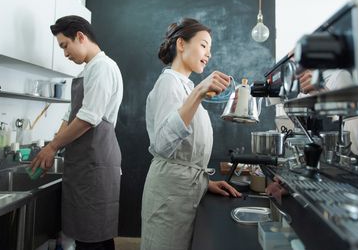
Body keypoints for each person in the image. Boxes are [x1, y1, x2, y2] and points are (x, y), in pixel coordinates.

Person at [141, 18, 241, 250]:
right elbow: (164, 145)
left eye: (210, 49)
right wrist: (198, 92)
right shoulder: (169, 84)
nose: (208, 54)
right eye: (204, 45)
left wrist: (205, 182)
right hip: (169, 195)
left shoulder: (184, 85)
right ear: (181, 44)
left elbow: (186, 149)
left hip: (186, 189)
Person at [30, 15, 123, 250]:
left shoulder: (102, 67)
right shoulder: (86, 71)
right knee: (90, 234)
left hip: (95, 161)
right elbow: (69, 116)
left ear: (80, 37)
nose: (65, 54)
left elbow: (88, 118)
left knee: (93, 236)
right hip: (84, 163)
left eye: (65, 46)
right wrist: (51, 149)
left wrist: (53, 147)